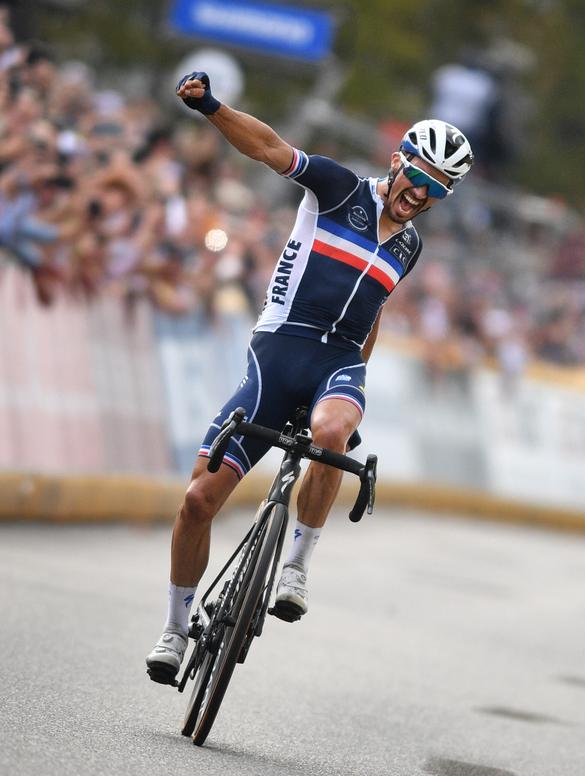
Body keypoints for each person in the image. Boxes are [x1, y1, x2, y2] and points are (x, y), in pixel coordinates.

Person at [146, 72, 474, 684]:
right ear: (398, 161)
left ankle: (296, 565)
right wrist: (210, 106)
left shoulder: (409, 248)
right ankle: (174, 627)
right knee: (196, 502)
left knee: (332, 432)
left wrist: (351, 387)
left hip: (338, 364)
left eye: (439, 191)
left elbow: (371, 315)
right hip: (278, 353)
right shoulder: (338, 187)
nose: (422, 195)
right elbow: (270, 148)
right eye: (420, 178)